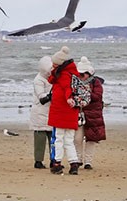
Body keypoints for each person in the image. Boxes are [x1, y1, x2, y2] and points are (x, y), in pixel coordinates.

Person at [47, 46, 81, 175]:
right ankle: (73, 163)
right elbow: (53, 80)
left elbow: (67, 88)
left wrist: (68, 98)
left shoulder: (63, 75)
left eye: (54, 63)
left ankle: (57, 163)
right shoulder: (73, 74)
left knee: (58, 139)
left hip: (61, 111)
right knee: (68, 140)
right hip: (71, 112)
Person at [73, 56, 106, 170]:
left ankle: (88, 162)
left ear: (89, 73)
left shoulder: (96, 83)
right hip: (79, 113)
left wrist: (86, 94)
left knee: (91, 139)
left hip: (93, 114)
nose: (81, 77)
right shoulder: (75, 83)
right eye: (79, 74)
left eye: (82, 74)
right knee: (77, 138)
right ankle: (77, 159)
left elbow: (97, 96)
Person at [29, 56, 53, 169]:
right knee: (40, 138)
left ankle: (54, 159)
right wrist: (53, 95)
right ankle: (38, 161)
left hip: (51, 111)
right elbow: (42, 98)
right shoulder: (38, 80)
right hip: (39, 112)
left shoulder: (53, 78)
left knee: (53, 138)